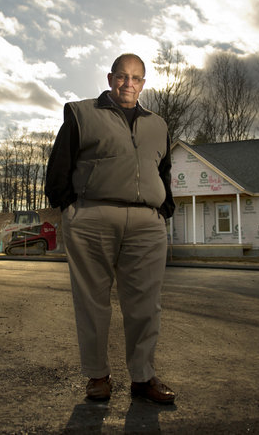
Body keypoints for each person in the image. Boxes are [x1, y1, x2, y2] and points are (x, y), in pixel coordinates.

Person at [45, 53, 176, 404]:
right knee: (92, 302)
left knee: (145, 305)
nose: (128, 83)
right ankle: (97, 376)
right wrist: (69, 207)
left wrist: (164, 208)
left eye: (135, 78)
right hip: (92, 218)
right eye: (121, 76)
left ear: (143, 84)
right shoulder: (81, 113)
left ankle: (143, 377)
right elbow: (59, 165)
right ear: (109, 78)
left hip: (146, 224)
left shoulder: (158, 124)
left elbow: (162, 170)